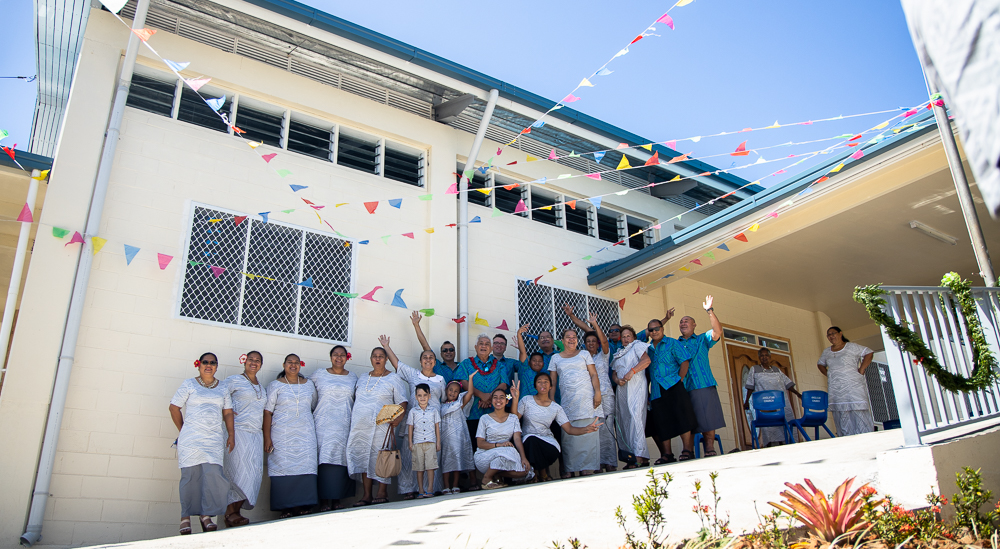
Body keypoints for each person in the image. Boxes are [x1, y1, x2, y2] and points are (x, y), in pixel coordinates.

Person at [169, 352, 234, 535]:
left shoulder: (223, 387)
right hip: (191, 440)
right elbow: (174, 407)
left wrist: (231, 434)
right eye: (205, 362)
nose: (209, 365)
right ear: (198, 365)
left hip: (213, 440)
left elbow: (228, 412)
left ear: (216, 366)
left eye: (213, 363)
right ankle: (185, 517)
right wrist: (184, 430)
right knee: (190, 478)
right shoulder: (189, 384)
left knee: (213, 476)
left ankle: (206, 515)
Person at [380, 335, 445, 499]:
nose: (428, 360)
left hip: (432, 425)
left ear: (435, 362)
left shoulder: (441, 380)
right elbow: (397, 364)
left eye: (431, 357)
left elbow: (443, 399)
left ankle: (431, 488)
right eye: (425, 357)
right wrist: (386, 346)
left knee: (431, 459)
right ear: (420, 361)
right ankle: (409, 489)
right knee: (410, 457)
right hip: (414, 424)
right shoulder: (413, 374)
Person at [345, 345, 408, 506]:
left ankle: (382, 492)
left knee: (381, 457)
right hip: (361, 426)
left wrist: (398, 418)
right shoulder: (363, 377)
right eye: (375, 356)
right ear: (371, 359)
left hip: (382, 426)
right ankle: (366, 495)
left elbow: (402, 401)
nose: (378, 358)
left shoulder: (393, 378)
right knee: (364, 458)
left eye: (381, 356)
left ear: (386, 359)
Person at [511, 373, 600, 481]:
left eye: (546, 382)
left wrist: (586, 429)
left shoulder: (556, 407)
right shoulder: (526, 400)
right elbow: (514, 419)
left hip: (547, 442)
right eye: (539, 382)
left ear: (550, 386)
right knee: (532, 440)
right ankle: (540, 474)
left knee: (537, 444)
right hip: (528, 440)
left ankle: (537, 474)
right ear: (535, 386)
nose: (543, 384)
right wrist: (515, 399)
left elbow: (569, 429)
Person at [263, 354, 318, 518]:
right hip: (282, 435)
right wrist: (267, 438)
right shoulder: (275, 385)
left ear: (300, 365)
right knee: (282, 468)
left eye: (296, 363)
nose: (293, 365)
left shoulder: (309, 385)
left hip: (305, 435)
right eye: (289, 362)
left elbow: (313, 405)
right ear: (284, 365)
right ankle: (285, 507)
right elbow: (267, 412)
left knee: (305, 466)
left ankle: (303, 505)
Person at [455, 333, 512, 489]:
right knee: (473, 445)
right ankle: (474, 480)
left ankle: (498, 477)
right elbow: (463, 383)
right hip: (473, 412)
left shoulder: (499, 365)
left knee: (496, 443)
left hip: (495, 412)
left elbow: (504, 384)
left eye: (487, 344)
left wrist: (490, 397)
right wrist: (482, 395)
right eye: (481, 343)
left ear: (491, 348)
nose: (484, 346)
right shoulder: (467, 363)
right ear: (475, 347)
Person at [564, 307, 617, 472]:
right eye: (588, 342)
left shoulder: (603, 355)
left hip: (605, 395)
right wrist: (571, 315)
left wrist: (595, 324)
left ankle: (610, 462)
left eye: (594, 341)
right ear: (584, 344)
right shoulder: (582, 358)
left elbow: (604, 342)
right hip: (588, 398)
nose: (591, 343)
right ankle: (597, 463)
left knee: (607, 429)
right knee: (594, 429)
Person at [676, 295, 727, 457]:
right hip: (683, 387)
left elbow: (717, 332)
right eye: (681, 322)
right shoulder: (674, 344)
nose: (683, 323)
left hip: (703, 383)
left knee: (708, 418)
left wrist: (709, 311)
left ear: (694, 325)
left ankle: (709, 449)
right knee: (686, 419)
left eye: (686, 321)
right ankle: (687, 451)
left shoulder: (702, 339)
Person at [548, 328, 602, 476]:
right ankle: (571, 470)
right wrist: (552, 400)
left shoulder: (584, 354)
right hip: (568, 402)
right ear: (562, 340)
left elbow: (593, 374)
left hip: (587, 400)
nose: (571, 339)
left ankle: (587, 470)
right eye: (568, 337)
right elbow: (553, 381)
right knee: (570, 437)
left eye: (574, 337)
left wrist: (597, 392)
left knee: (588, 435)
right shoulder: (555, 358)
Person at [645, 318, 698, 462]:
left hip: (673, 385)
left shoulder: (672, 343)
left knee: (682, 417)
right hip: (656, 389)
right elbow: (647, 372)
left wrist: (679, 380)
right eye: (651, 330)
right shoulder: (647, 349)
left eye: (657, 328)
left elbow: (684, 361)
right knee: (661, 421)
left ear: (662, 329)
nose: (654, 331)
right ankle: (667, 454)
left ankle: (687, 450)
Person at [312, 345, 358, 512]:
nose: (339, 357)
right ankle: (324, 501)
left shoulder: (353, 377)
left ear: (347, 357)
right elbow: (309, 395)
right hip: (323, 425)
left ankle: (337, 499)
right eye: (335, 355)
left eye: (342, 355)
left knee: (341, 461)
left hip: (344, 424)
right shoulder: (319, 374)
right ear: (330, 357)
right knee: (324, 461)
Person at [222, 351, 265, 527]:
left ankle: (236, 511)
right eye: (250, 359)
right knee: (237, 472)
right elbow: (218, 395)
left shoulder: (261, 386)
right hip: (238, 432)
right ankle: (230, 513)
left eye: (257, 360)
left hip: (255, 434)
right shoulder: (234, 380)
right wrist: (225, 412)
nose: (253, 363)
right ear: (244, 362)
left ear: (261, 364)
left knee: (252, 474)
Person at [817, 326, 875, 436]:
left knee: (857, 410)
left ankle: (865, 437)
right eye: (829, 335)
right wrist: (829, 375)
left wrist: (862, 369)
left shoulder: (851, 347)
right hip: (836, 387)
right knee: (841, 413)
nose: (831, 336)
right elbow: (820, 364)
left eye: (833, 333)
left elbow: (868, 352)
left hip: (853, 385)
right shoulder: (827, 351)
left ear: (840, 333)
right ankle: (846, 437)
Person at [744, 347, 803, 447]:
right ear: (759, 357)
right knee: (770, 427)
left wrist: (797, 394)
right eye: (762, 356)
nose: (764, 357)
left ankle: (788, 444)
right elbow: (750, 386)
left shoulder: (776, 370)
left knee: (785, 423)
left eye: (766, 355)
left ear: (770, 357)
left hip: (780, 403)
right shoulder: (754, 369)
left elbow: (787, 384)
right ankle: (772, 445)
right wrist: (746, 401)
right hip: (766, 403)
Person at [474, 388, 532, 489]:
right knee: (509, 450)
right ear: (492, 401)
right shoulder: (484, 418)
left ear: (507, 401)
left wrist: (523, 458)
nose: (498, 400)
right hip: (485, 455)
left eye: (501, 397)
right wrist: (499, 445)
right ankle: (486, 479)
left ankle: (497, 475)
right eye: (495, 398)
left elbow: (517, 439)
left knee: (524, 471)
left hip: (506, 455)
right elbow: (480, 443)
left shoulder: (513, 418)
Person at [611, 327, 652, 468]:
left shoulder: (637, 346)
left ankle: (639, 455)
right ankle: (632, 456)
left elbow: (646, 361)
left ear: (633, 337)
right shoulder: (619, 353)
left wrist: (632, 371)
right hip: (622, 389)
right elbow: (614, 373)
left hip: (636, 385)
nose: (626, 339)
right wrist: (617, 380)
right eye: (623, 336)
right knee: (625, 421)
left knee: (636, 417)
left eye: (628, 336)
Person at [439, 376, 475, 494]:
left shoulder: (459, 404)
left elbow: (470, 393)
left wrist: (470, 379)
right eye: (450, 390)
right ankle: (446, 486)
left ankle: (455, 485)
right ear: (446, 390)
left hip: (458, 437)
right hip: (445, 438)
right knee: (446, 461)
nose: (453, 393)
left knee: (457, 460)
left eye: (456, 391)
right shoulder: (441, 406)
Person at [407, 383, 441, 498]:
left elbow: (437, 427)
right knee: (419, 468)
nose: (422, 398)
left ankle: (430, 489)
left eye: (425, 395)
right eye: (419, 395)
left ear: (429, 396)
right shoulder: (413, 411)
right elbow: (410, 427)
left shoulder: (433, 411)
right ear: (416, 397)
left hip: (431, 442)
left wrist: (438, 442)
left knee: (430, 467)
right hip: (417, 442)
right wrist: (410, 442)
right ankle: (421, 490)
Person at [411, 311, 460, 383]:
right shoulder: (437, 365)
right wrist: (416, 325)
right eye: (445, 350)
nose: (448, 352)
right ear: (441, 354)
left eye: (451, 349)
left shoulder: (462, 366)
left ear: (455, 352)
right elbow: (425, 345)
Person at [513, 325, 545, 397]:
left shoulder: (544, 375)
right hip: (524, 403)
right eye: (534, 360)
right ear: (529, 362)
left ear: (543, 364)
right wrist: (519, 334)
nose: (537, 363)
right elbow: (523, 352)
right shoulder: (525, 370)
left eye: (540, 361)